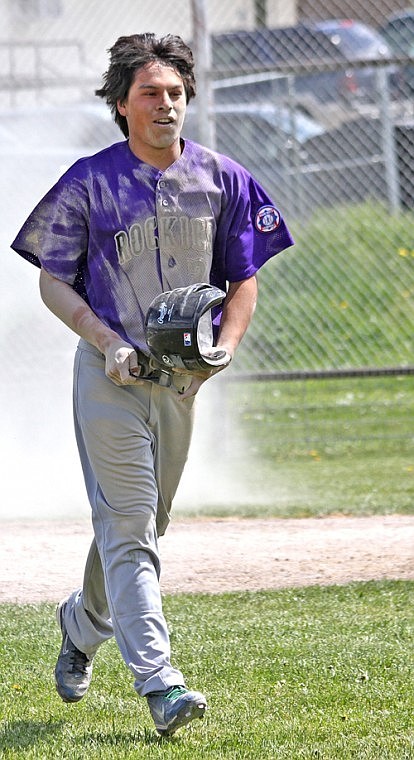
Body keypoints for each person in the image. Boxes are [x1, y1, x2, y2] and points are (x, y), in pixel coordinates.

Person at [10, 33, 294, 736]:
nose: (167, 104)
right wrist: (104, 342)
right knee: (132, 528)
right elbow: (52, 279)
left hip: (181, 385)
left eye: (175, 92)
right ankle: (162, 683)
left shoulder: (223, 177)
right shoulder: (89, 181)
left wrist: (221, 352)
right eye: (150, 93)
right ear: (120, 105)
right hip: (113, 373)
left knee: (142, 525)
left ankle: (81, 625)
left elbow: (244, 280)